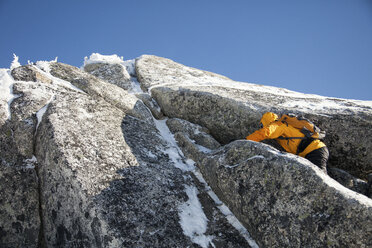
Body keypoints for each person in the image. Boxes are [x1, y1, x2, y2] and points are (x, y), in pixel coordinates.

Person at [246, 112, 329, 173]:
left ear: (266, 122)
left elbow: (265, 132)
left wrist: (246, 141)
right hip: (313, 150)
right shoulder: (282, 128)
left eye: (262, 125)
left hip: (315, 150)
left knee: (321, 177)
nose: (262, 127)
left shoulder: (278, 125)